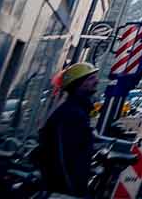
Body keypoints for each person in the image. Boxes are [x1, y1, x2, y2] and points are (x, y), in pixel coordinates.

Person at [37, 62, 99, 197]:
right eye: (91, 78)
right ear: (78, 84)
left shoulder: (78, 110)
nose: (97, 81)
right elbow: (63, 157)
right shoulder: (71, 114)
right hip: (64, 188)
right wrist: (72, 191)